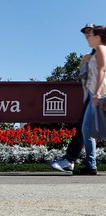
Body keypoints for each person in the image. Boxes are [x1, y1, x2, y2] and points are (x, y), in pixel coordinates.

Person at [49, 24, 106, 175]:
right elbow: (86, 75)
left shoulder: (100, 48)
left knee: (89, 129)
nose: (88, 37)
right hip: (95, 95)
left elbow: (102, 71)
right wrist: (84, 60)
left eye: (91, 34)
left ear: (97, 36)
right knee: (86, 129)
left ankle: (88, 164)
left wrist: (97, 93)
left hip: (99, 95)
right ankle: (89, 165)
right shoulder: (93, 52)